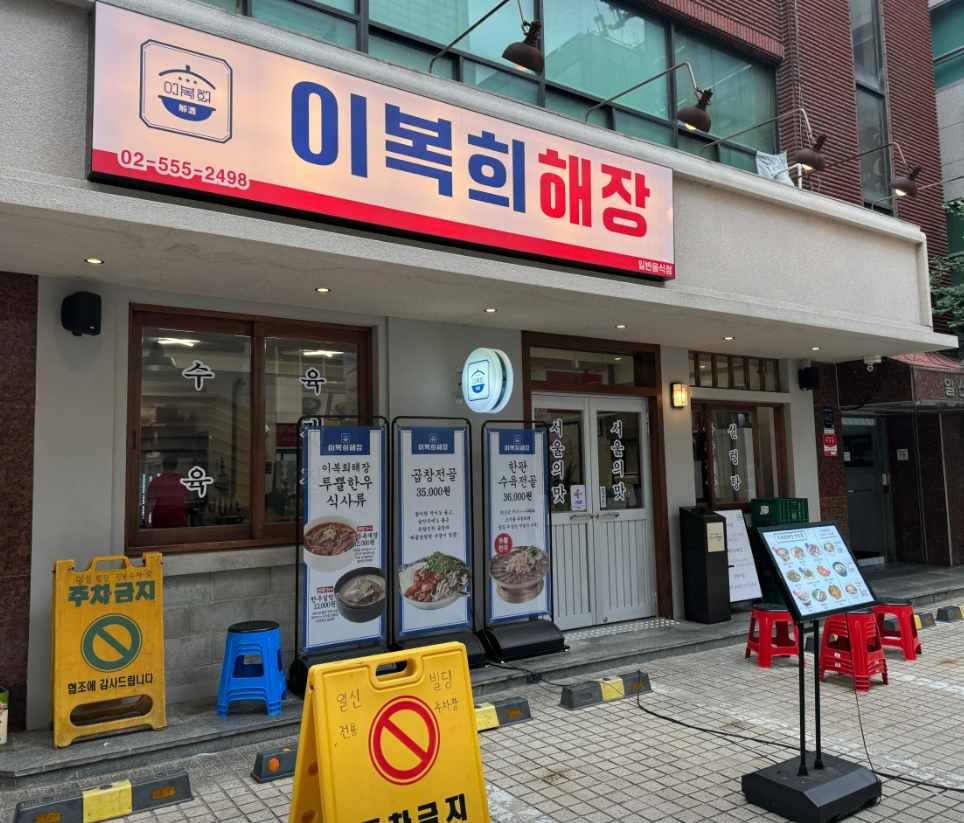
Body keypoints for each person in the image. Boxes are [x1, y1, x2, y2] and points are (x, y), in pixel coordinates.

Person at [145, 455, 189, 528]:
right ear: (176, 466)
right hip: (178, 519)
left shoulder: (156, 481)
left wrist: (146, 521)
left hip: (160, 519)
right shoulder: (183, 481)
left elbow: (150, 502)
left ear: (163, 465)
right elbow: (191, 498)